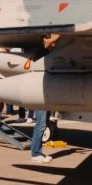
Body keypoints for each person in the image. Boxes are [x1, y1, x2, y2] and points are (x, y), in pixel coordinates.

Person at [30, 33, 60, 163]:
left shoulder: (49, 52)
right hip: (39, 93)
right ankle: (35, 154)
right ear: (44, 39)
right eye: (48, 37)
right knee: (41, 125)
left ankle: (38, 152)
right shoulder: (41, 51)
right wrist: (60, 33)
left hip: (45, 93)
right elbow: (51, 41)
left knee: (43, 124)